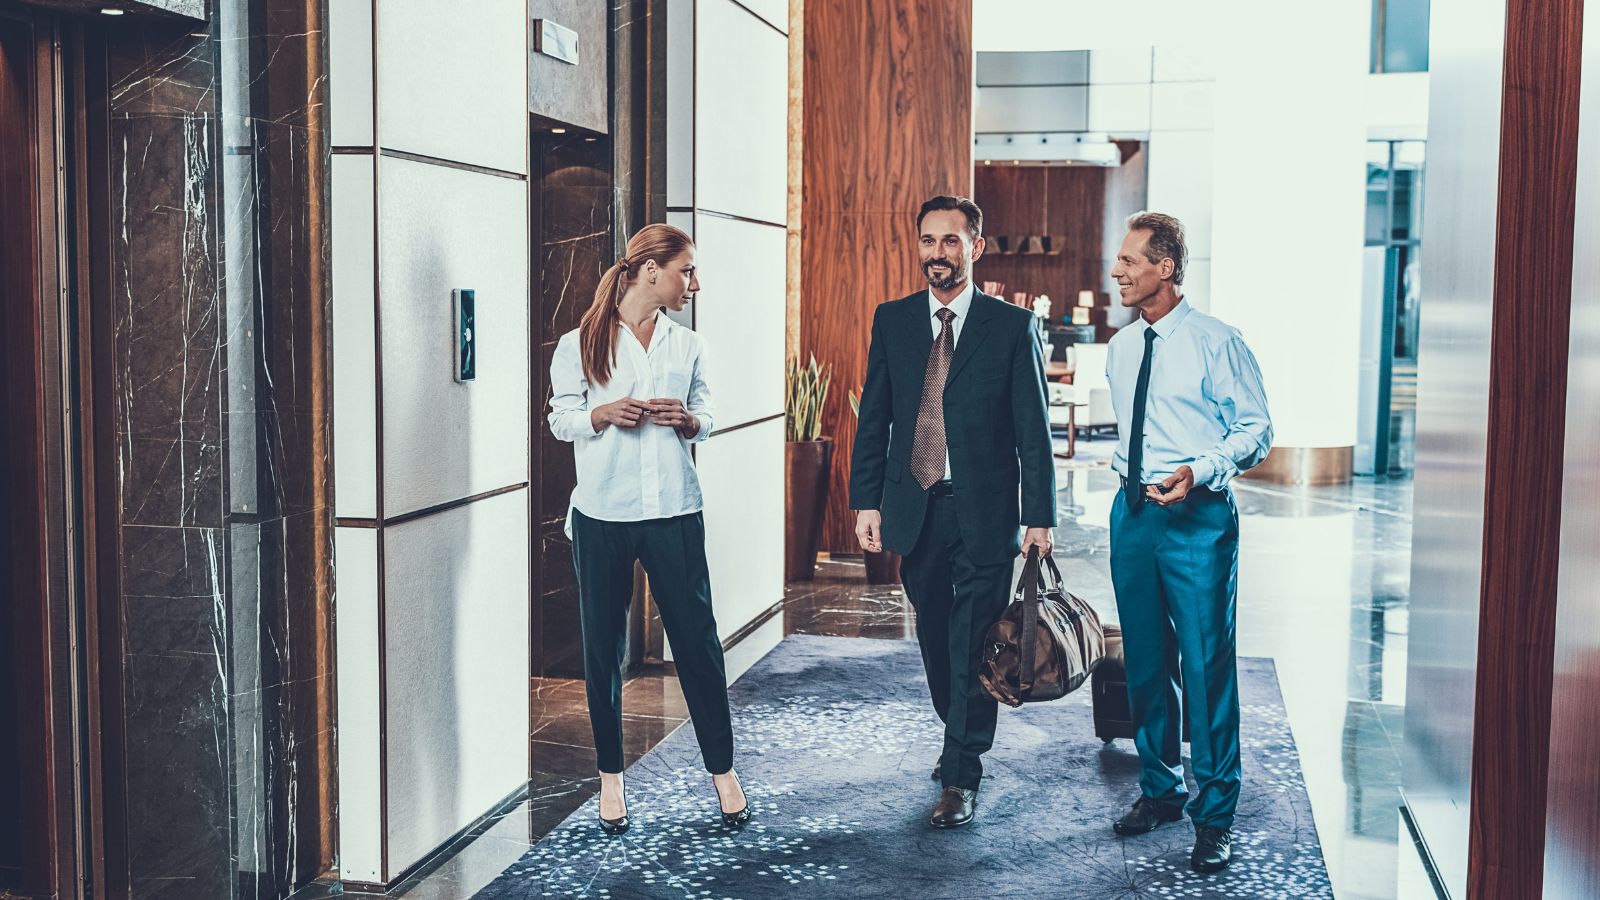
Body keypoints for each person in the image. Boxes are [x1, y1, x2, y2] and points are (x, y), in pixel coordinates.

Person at [848, 195, 1057, 829]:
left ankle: (962, 770)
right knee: (938, 637)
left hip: (987, 514)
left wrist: (1038, 517)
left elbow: (1034, 432)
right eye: (928, 240)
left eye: (951, 240)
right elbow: (877, 417)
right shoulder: (894, 321)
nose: (938, 252)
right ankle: (958, 729)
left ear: (976, 247)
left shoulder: (1011, 327)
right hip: (918, 508)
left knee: (972, 641)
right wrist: (866, 500)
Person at [547, 223, 748, 835]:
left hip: (674, 512)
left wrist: (691, 422)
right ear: (650, 271)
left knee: (698, 646)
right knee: (603, 650)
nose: (695, 283)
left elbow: (709, 411)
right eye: (687, 271)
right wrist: (601, 415)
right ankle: (611, 780)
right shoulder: (579, 341)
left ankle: (725, 774)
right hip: (602, 515)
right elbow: (560, 418)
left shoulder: (688, 345)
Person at [1104, 212, 1272, 873]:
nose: (1117, 270)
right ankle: (1160, 789)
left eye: (1129, 261)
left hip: (1198, 517)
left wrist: (1198, 470)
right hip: (1134, 515)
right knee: (1144, 664)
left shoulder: (1216, 341)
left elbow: (1256, 428)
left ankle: (1216, 813)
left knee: (1205, 671)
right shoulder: (1121, 347)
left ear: (1165, 269)